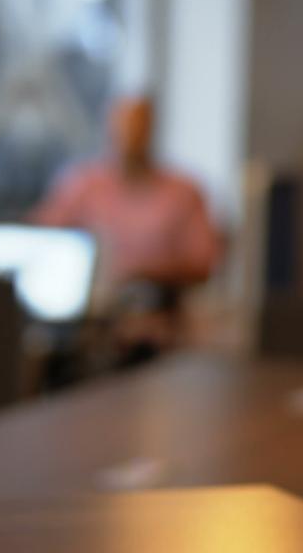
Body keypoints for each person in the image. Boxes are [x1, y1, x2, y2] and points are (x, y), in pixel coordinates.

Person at [30, 95, 220, 367]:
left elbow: (203, 263)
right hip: (87, 319)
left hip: (156, 320)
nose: (129, 136)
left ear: (152, 130)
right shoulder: (84, 184)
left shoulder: (183, 191)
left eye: (138, 127)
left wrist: (140, 273)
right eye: (122, 127)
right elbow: (42, 232)